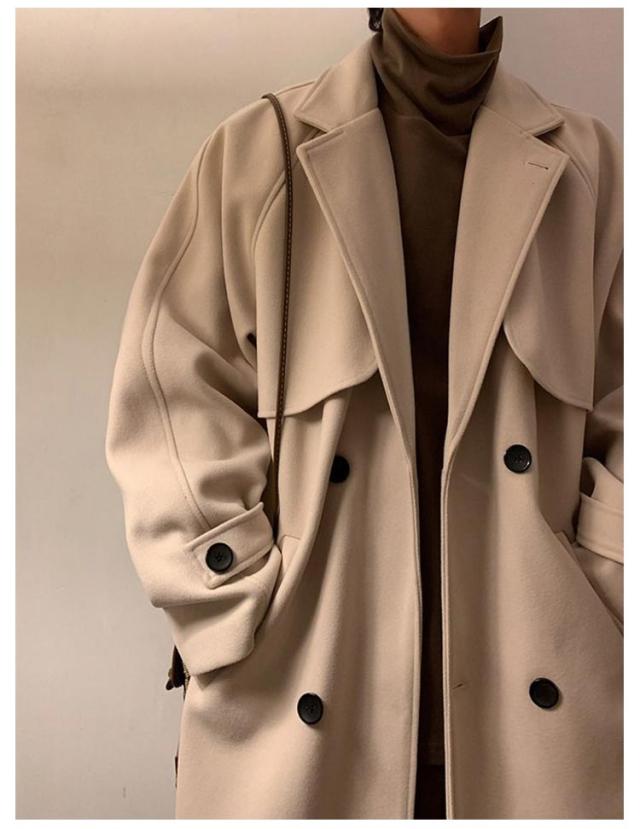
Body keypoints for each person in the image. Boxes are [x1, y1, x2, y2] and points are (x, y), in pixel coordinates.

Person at [105, 6, 623, 820]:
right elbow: (171, 386)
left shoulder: (589, 167)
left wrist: (610, 581)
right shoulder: (260, 153)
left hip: (543, 710)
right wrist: (231, 601)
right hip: (304, 696)